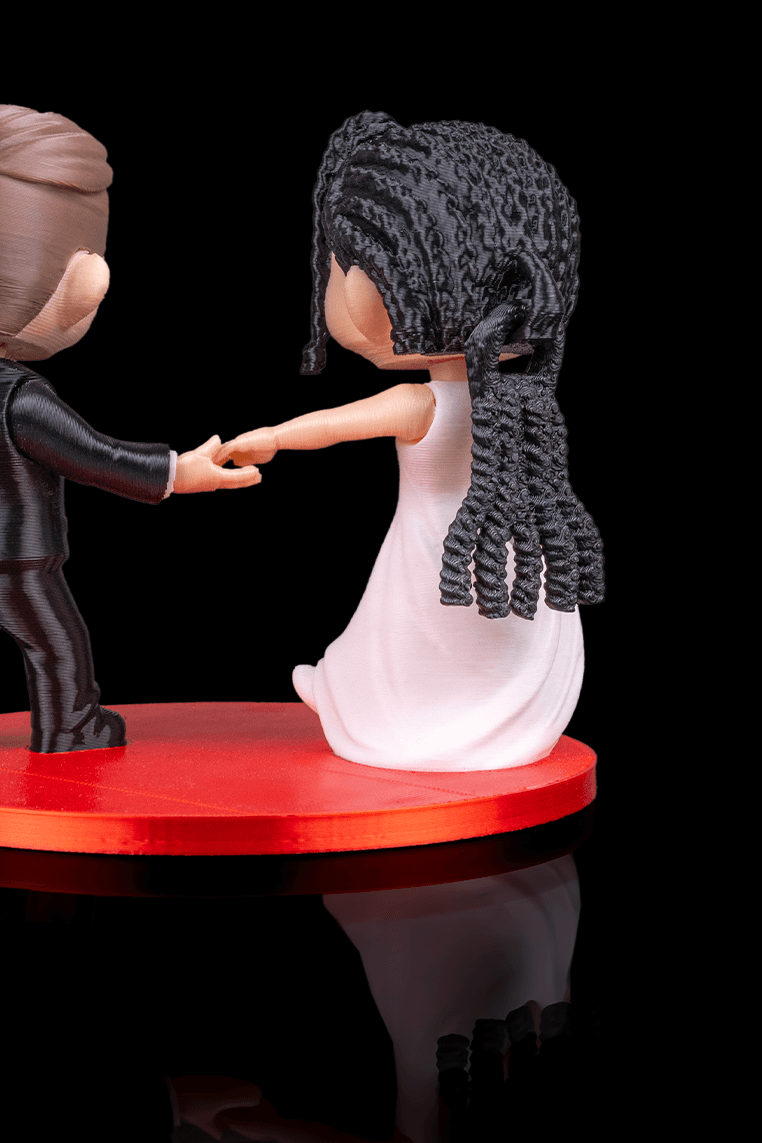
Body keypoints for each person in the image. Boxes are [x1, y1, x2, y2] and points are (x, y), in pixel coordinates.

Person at [0, 68, 259, 754]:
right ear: (83, 283)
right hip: (15, 553)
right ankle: (71, 725)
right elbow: (93, 456)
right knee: (55, 641)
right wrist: (176, 472)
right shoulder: (16, 396)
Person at [220, 114, 604, 772]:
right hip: (510, 555)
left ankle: (373, 707)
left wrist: (272, 438)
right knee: (489, 638)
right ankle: (498, 718)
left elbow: (331, 426)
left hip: (440, 556)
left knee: (407, 639)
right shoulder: (524, 402)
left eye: (341, 268)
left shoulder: (420, 403)